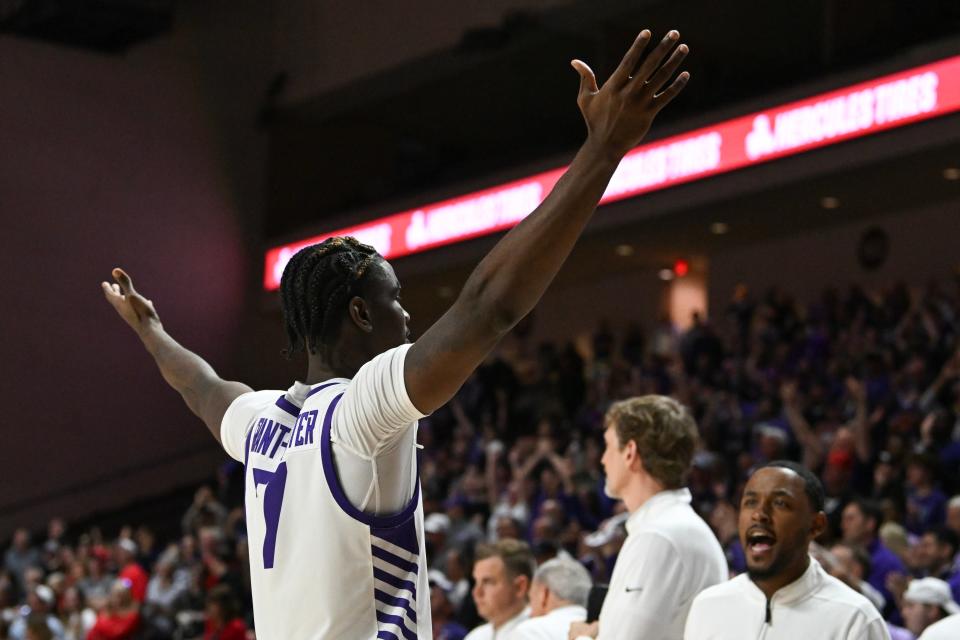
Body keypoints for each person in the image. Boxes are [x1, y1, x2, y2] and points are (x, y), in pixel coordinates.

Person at [102, 26, 690, 640]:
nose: (407, 319)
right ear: (359, 314)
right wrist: (602, 152)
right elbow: (487, 307)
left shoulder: (262, 426)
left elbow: (200, 387)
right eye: (395, 301)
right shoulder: (359, 411)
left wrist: (152, 332)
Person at [569, 396, 727, 640]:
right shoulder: (673, 527)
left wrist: (581, 637)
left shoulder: (659, 536)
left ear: (630, 452)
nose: (602, 459)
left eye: (609, 447)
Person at [683, 461, 889, 639]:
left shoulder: (854, 619)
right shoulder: (708, 606)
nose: (759, 514)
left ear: (816, 525)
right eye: (750, 502)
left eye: (780, 503)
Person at [466, 540, 536, 640]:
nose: (476, 592)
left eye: (487, 582)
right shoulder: (475, 636)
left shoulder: (538, 634)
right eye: (476, 582)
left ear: (520, 587)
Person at [512, 557, 590, 640]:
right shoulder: (601, 629)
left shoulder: (530, 631)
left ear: (544, 594)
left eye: (531, 599)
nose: (530, 613)